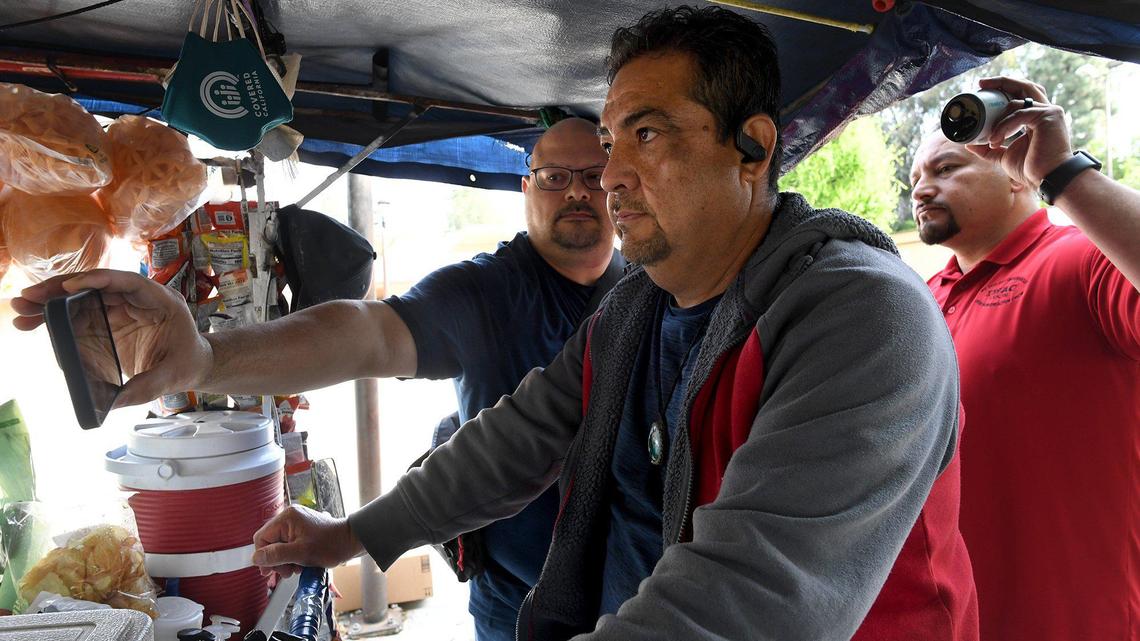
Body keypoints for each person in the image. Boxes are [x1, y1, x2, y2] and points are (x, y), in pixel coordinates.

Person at [243, 7, 978, 641]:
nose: (611, 175)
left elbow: (747, 597)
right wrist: (346, 535)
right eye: (609, 143)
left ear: (751, 147)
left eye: (648, 135)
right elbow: (511, 441)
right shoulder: (634, 312)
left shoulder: (861, 318)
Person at [13, 117, 624, 641]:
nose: (576, 193)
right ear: (526, 188)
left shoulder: (646, 295)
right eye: (554, 177)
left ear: (623, 181)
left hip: (638, 581)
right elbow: (366, 333)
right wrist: (205, 357)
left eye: (593, 176)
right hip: (520, 598)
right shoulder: (489, 290)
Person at [911, 77, 1140, 641]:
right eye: (914, 178)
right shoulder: (918, 300)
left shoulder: (1082, 261)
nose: (920, 190)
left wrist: (1061, 174)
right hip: (954, 621)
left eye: (945, 170)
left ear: (1016, 178)